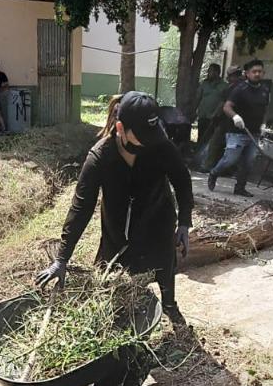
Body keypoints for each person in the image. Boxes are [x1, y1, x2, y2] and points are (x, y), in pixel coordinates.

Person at [36, 91, 193, 324]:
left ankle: (170, 305)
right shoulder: (100, 157)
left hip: (157, 217)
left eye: (153, 132)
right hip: (116, 227)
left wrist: (184, 222)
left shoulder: (161, 146)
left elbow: (182, 180)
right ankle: (120, 313)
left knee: (164, 263)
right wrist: (62, 258)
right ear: (120, 128)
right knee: (112, 277)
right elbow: (81, 207)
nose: (150, 141)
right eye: (142, 135)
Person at [208, 59, 270, 196]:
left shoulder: (264, 90)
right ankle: (214, 173)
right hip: (236, 132)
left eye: (260, 71)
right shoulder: (240, 89)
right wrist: (235, 117)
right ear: (247, 73)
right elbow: (227, 107)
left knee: (248, 162)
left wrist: (264, 125)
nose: (257, 74)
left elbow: (265, 110)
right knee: (230, 159)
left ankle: (240, 187)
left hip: (254, 133)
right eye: (254, 71)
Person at [200, 66, 243, 172]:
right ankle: (223, 167)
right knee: (224, 144)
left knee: (216, 143)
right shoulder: (237, 87)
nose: (229, 78)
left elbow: (222, 104)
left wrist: (215, 115)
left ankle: (210, 166)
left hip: (228, 121)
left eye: (232, 76)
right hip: (228, 120)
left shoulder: (232, 88)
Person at [195, 63, 225, 152]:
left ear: (217, 72)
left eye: (211, 71)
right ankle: (198, 156)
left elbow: (224, 102)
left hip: (214, 118)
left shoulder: (224, 85)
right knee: (200, 137)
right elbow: (198, 98)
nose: (209, 73)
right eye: (209, 71)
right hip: (202, 116)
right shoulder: (204, 84)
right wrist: (194, 110)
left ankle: (207, 157)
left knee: (211, 139)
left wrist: (216, 114)